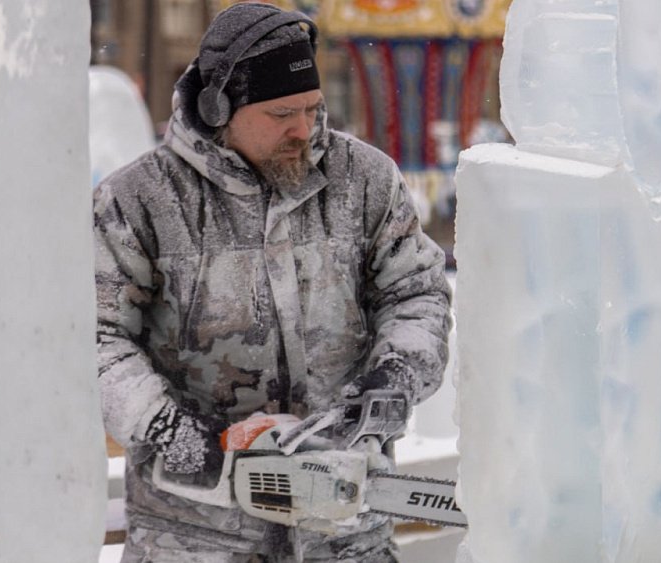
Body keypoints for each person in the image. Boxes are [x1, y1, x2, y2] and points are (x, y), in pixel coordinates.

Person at [93, 4, 452, 561]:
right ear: (219, 109)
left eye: (311, 108)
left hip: (347, 531)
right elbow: (97, 338)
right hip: (194, 540)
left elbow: (417, 295)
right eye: (282, 113)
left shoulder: (365, 180)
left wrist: (388, 386)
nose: (303, 129)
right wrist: (177, 432)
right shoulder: (138, 202)